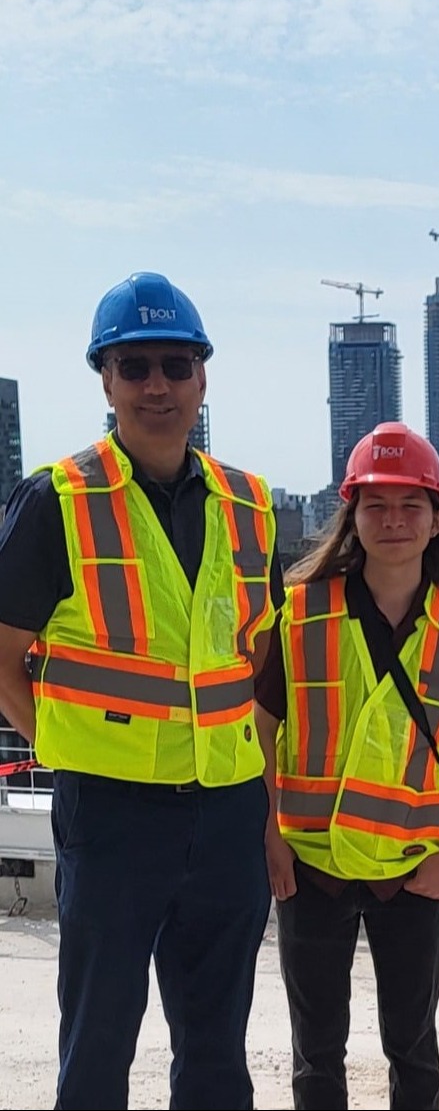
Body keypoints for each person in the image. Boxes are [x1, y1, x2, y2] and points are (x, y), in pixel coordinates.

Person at [0, 272, 282, 1108]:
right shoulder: (59, 499)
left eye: (173, 364)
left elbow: (254, 661)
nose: (156, 384)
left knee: (217, 1049)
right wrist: (59, 739)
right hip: (113, 811)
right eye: (134, 367)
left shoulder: (251, 504)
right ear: (106, 380)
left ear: (202, 376)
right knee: (98, 1041)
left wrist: (265, 804)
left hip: (228, 808)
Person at [256, 423, 439, 1110]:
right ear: (352, 516)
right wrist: (270, 832)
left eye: (411, 505)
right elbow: (262, 729)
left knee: (413, 1047)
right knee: (317, 1053)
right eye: (376, 504)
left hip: (412, 867)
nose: (393, 520)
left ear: (437, 520)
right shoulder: (301, 613)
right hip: (310, 863)